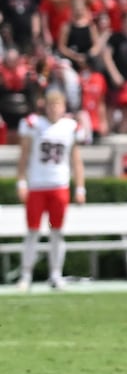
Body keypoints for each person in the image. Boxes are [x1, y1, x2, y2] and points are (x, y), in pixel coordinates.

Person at [14, 89, 87, 291]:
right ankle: (26, 274)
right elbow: (24, 155)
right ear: (45, 106)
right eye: (51, 104)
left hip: (59, 184)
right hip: (37, 184)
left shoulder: (70, 127)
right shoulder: (34, 124)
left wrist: (80, 187)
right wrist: (21, 182)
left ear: (64, 107)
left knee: (57, 232)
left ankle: (55, 274)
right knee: (32, 232)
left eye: (58, 105)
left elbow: (76, 160)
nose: (54, 109)